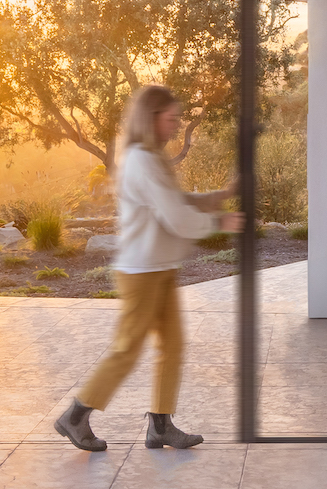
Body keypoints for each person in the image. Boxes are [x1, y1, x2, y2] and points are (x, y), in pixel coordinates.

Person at [54, 83, 244, 452]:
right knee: (127, 349)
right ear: (152, 118)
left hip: (159, 267)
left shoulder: (151, 158)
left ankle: (160, 425)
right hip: (141, 272)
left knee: (172, 347)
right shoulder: (141, 160)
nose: (175, 126)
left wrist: (218, 197)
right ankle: (75, 416)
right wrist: (219, 222)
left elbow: (177, 200)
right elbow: (176, 216)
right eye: (171, 119)